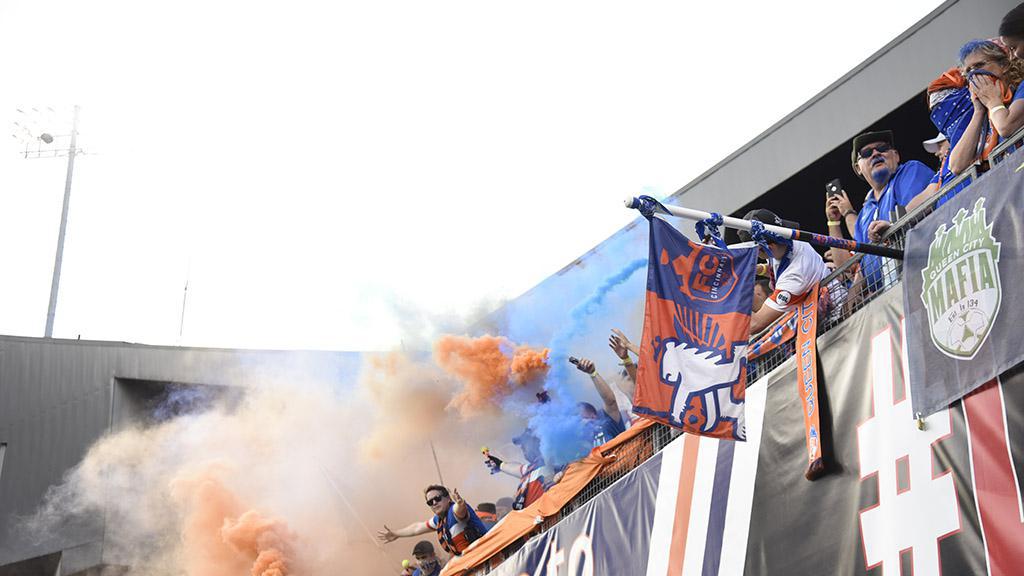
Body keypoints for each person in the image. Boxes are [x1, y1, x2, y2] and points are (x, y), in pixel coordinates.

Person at [824, 131, 933, 291]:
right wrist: (833, 222)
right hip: (887, 294)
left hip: (923, 274)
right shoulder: (865, 213)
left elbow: (919, 210)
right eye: (867, 153)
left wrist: (891, 225)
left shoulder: (909, 171)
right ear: (858, 168)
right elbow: (854, 264)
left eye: (882, 148)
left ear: (896, 156)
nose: (875, 153)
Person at [739, 209, 831, 335]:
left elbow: (754, 325)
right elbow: (777, 268)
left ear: (767, 248)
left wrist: (731, 291)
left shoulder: (795, 275)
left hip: (834, 322)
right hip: (818, 319)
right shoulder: (787, 239)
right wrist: (758, 269)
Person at [947, 40, 1024, 175]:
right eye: (968, 71)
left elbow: (1006, 127)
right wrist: (979, 112)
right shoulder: (979, 112)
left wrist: (993, 100)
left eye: (979, 65)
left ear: (1003, 65)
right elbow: (956, 166)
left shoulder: (1020, 89)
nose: (975, 74)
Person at [377, 485, 488, 557]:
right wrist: (396, 533)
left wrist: (460, 503)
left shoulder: (454, 510)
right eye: (430, 502)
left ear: (448, 498)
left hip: (484, 554)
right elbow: (416, 528)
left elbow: (460, 511)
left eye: (437, 498)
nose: (434, 503)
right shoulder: (438, 520)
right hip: (467, 561)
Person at [483, 429, 555, 511]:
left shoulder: (550, 462)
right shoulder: (529, 469)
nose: (522, 447)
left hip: (542, 514)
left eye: (525, 442)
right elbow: (513, 468)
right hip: (527, 515)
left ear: (537, 442)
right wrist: (499, 464)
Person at [573, 357, 627, 446]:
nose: (578, 422)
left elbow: (611, 402)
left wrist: (592, 373)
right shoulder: (579, 442)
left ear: (593, 416)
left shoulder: (607, 424)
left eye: (581, 418)